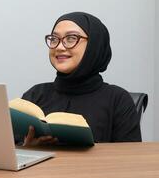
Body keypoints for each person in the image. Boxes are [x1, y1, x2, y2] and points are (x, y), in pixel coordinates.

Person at [21, 12, 141, 146]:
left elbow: (129, 159)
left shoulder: (118, 99)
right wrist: (27, 149)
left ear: (94, 45)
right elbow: (10, 152)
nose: (59, 47)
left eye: (71, 38)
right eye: (54, 39)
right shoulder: (35, 94)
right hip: (41, 168)